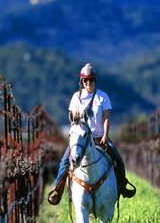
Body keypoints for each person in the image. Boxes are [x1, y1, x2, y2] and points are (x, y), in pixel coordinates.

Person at [48, 63, 134, 205]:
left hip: (99, 137)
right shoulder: (76, 97)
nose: (89, 83)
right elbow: (72, 119)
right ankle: (58, 190)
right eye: (85, 80)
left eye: (91, 79)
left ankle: (122, 186)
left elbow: (106, 118)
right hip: (81, 140)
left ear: (95, 80)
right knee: (64, 162)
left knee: (118, 160)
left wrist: (106, 136)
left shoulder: (102, 97)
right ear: (81, 82)